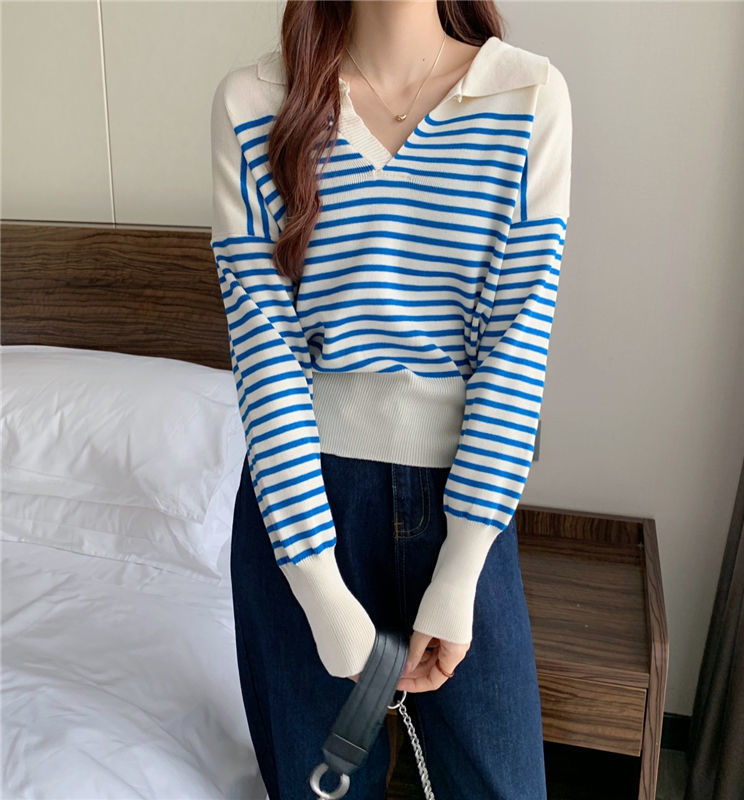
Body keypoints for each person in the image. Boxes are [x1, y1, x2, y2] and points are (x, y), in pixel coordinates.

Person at [209, 1, 572, 797]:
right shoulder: (256, 101)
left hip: (463, 500)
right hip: (303, 504)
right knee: (320, 787)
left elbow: (516, 349)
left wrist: (462, 567)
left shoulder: (525, 95)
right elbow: (266, 356)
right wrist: (317, 587)